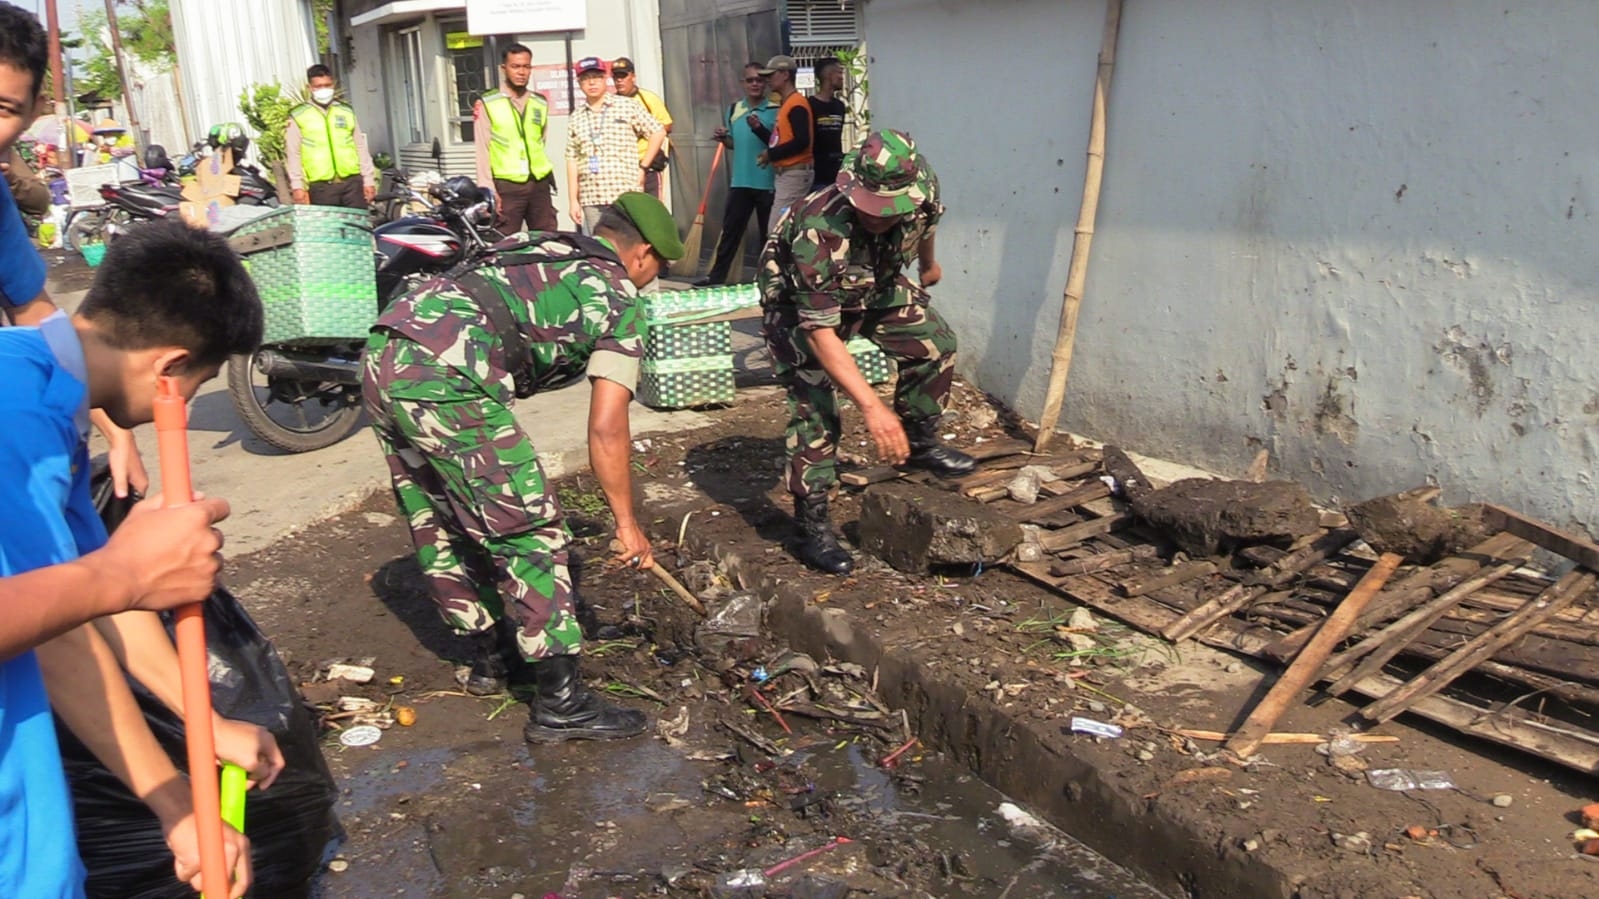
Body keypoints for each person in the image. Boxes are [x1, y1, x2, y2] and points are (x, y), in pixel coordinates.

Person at [0, 212, 273, 896]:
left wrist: (202, 719)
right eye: (198, 384)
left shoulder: (44, 395)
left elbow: (92, 601)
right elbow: (60, 628)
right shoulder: (16, 414)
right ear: (169, 368)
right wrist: (175, 798)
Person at [363, 191, 683, 743]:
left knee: (439, 513)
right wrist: (626, 524)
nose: (650, 282)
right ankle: (560, 702)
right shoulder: (616, 294)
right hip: (447, 374)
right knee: (528, 525)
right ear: (643, 253)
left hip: (385, 351)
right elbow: (608, 424)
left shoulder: (540, 244)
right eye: (656, 270)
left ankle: (493, 658)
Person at [759, 129, 974, 576]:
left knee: (936, 343)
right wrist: (874, 408)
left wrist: (927, 263)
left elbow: (927, 220)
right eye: (869, 207)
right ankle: (811, 524)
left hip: (875, 279)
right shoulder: (819, 228)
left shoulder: (921, 184)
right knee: (816, 404)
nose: (878, 216)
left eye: (888, 209)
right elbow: (821, 334)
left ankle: (918, 440)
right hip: (798, 304)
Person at [693, 62, 777, 288]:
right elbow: (734, 143)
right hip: (740, 181)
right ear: (743, 83)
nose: (755, 84)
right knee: (730, 232)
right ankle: (717, 277)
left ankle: (767, 279)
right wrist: (723, 137)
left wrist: (760, 127)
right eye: (750, 80)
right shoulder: (734, 109)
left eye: (760, 79)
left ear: (767, 82)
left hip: (767, 181)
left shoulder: (775, 109)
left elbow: (777, 144)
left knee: (767, 235)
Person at [566, 57, 664, 234]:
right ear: (579, 83)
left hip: (624, 192)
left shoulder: (626, 106)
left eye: (596, 77)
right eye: (586, 79)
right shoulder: (576, 116)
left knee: (628, 243)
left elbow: (658, 132)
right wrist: (573, 199)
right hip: (591, 196)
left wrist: (643, 167)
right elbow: (572, 159)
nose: (592, 83)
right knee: (600, 248)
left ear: (605, 79)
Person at [474, 43, 557, 234]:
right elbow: (482, 149)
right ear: (504, 68)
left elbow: (540, 140)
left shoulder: (539, 102)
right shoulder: (488, 102)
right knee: (504, 242)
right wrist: (489, 190)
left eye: (526, 67)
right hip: (507, 186)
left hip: (539, 183)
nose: (521, 72)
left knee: (547, 240)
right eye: (516, 66)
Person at [285, 64, 376, 209]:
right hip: (322, 187)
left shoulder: (346, 111)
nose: (323, 90)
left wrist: (369, 180)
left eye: (327, 85)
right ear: (310, 88)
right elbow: (293, 153)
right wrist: (297, 186)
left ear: (333, 84)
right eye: (318, 86)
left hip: (352, 183)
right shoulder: (299, 115)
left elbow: (360, 147)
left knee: (358, 229)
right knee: (330, 230)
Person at [748, 55, 812, 231]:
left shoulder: (797, 104)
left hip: (794, 175)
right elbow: (781, 141)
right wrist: (759, 129)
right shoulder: (788, 103)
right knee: (785, 228)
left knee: (776, 229)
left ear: (785, 75)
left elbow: (802, 141)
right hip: (788, 176)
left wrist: (770, 154)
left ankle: (783, 259)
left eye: (771, 75)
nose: (767, 80)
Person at [609, 56, 673, 200]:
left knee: (652, 208)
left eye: (623, 76)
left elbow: (667, 125)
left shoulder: (648, 98)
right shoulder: (611, 103)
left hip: (647, 163)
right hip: (622, 167)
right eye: (616, 77)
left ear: (633, 77)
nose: (619, 80)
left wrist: (641, 130)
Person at [808, 58, 848, 190]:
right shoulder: (809, 105)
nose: (842, 77)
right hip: (816, 173)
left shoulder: (839, 106)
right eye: (839, 73)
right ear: (829, 75)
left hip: (836, 172)